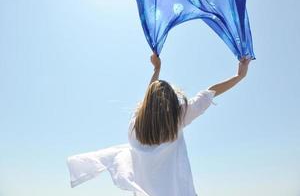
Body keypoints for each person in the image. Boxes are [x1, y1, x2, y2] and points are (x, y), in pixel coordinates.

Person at [66, 53, 251, 196]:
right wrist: (238, 76)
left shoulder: (135, 127)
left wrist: (156, 69)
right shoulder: (177, 118)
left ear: (146, 102)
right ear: (171, 101)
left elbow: (148, 101)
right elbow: (209, 92)